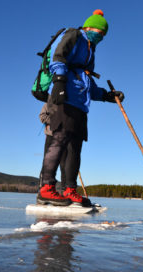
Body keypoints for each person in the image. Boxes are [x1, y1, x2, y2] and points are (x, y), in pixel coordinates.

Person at [37, 9, 124, 207]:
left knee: (75, 148)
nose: (100, 36)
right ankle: (46, 188)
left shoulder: (90, 50)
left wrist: (107, 96)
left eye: (103, 35)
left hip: (80, 104)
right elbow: (58, 56)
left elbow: (88, 83)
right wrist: (59, 81)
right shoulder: (74, 35)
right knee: (57, 140)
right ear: (89, 27)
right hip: (63, 97)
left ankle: (70, 190)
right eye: (99, 32)